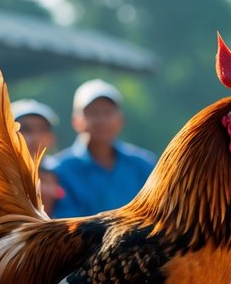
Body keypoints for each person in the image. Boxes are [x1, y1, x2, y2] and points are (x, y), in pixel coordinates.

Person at [47, 79, 156, 218]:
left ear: (120, 120)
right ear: (76, 121)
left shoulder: (143, 164)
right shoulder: (59, 169)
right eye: (93, 113)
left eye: (108, 112)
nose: (102, 120)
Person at [11, 99, 66, 214]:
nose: (35, 138)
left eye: (42, 129)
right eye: (25, 129)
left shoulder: (62, 172)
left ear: (52, 138)